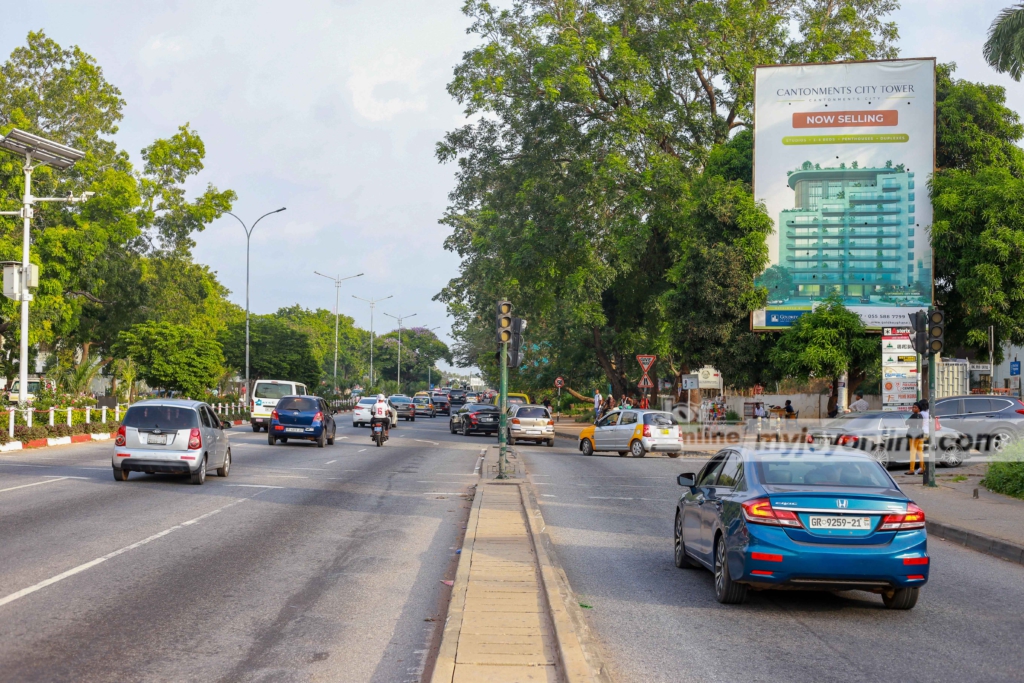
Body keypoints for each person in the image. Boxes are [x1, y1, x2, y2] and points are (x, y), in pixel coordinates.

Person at [906, 401, 924, 475]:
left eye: (915, 407)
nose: (913, 408)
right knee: (920, 453)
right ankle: (922, 468)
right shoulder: (921, 416)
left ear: (919, 408)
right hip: (920, 435)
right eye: (913, 407)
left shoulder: (913, 415)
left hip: (913, 436)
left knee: (912, 453)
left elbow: (906, 422)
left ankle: (911, 469)